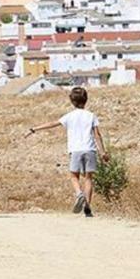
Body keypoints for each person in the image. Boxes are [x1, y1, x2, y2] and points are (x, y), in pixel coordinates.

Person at [24, 87, 110, 218]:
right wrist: (103, 152)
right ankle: (87, 206)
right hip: (90, 149)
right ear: (86, 100)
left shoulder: (69, 116)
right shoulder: (91, 116)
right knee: (88, 178)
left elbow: (53, 123)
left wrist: (34, 129)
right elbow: (97, 135)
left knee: (74, 176)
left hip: (75, 150)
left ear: (71, 101)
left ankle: (79, 193)